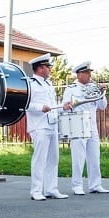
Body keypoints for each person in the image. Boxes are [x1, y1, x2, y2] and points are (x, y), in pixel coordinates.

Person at [61, 61, 109, 195]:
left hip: (92, 124)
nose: (89, 75)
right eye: (87, 73)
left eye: (90, 73)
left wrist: (102, 92)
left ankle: (96, 184)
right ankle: (77, 185)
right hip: (77, 123)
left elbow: (102, 106)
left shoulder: (94, 87)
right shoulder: (71, 88)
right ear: (79, 74)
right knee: (78, 157)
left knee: (94, 156)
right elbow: (65, 106)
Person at [25, 53, 68, 201]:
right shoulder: (30, 84)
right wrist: (39, 107)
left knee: (53, 158)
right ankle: (36, 190)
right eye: (47, 67)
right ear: (40, 68)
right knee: (40, 159)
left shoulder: (48, 84)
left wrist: (63, 107)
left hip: (51, 124)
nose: (50, 70)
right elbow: (24, 105)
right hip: (39, 126)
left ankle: (51, 189)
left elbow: (52, 106)